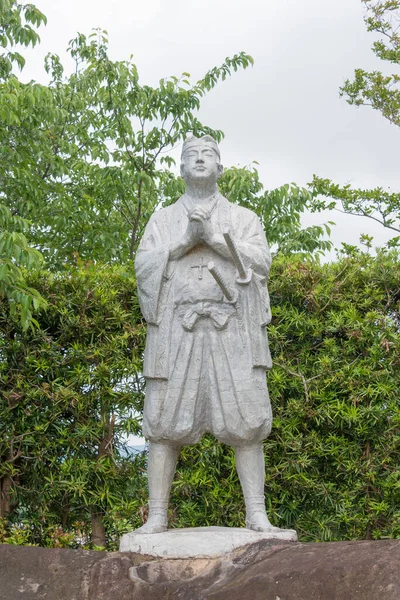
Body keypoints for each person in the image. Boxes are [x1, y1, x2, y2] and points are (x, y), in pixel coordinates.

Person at [135, 135, 278, 533]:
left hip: (231, 328)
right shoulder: (163, 220)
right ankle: (157, 516)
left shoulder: (244, 218)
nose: (199, 160)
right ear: (180, 168)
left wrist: (214, 238)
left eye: (208, 155)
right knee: (162, 424)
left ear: (220, 167)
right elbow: (144, 266)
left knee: (247, 421)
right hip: (177, 331)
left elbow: (261, 263)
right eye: (191, 156)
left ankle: (256, 513)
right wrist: (184, 242)